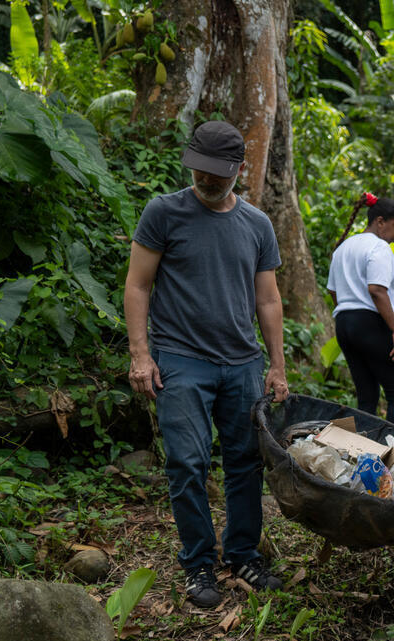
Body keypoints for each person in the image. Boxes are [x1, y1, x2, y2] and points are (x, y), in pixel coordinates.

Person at [124, 120, 288, 609]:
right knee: (187, 463)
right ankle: (198, 563)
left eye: (218, 174)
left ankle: (242, 555)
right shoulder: (163, 213)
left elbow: (268, 300)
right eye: (199, 171)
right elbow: (138, 285)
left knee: (243, 464)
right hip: (181, 359)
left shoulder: (257, 224)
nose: (208, 181)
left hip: (241, 363)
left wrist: (276, 365)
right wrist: (140, 353)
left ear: (240, 169)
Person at [326, 195, 394, 428]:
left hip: (344, 324)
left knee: (367, 396)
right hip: (372, 323)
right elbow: (377, 290)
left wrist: (351, 318)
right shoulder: (379, 247)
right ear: (380, 222)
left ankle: (363, 451)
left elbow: (333, 291)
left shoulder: (344, 247)